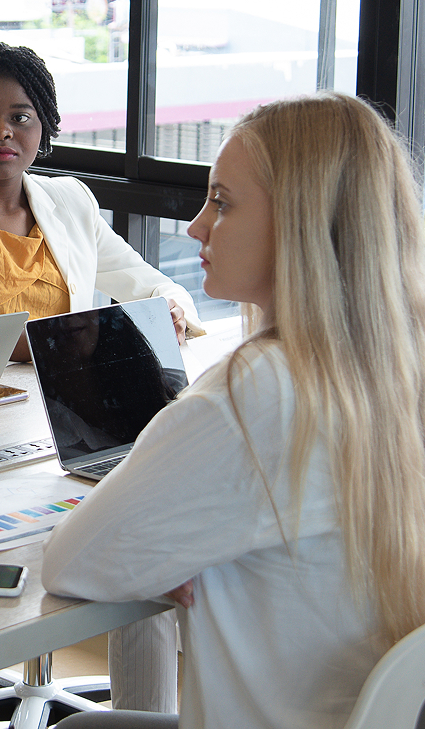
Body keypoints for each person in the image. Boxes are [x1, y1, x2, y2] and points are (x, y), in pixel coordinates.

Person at [43, 91, 425, 729]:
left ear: (300, 221)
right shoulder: (395, 365)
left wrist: (160, 552)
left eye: (222, 202)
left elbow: (73, 562)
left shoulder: (258, 394)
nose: (195, 226)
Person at [0, 41, 204, 715]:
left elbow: (146, 281)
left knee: (141, 540)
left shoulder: (70, 202)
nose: (2, 132)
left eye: (21, 117)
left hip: (71, 422)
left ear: (44, 126)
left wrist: (169, 308)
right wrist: (35, 345)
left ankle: (142, 716)